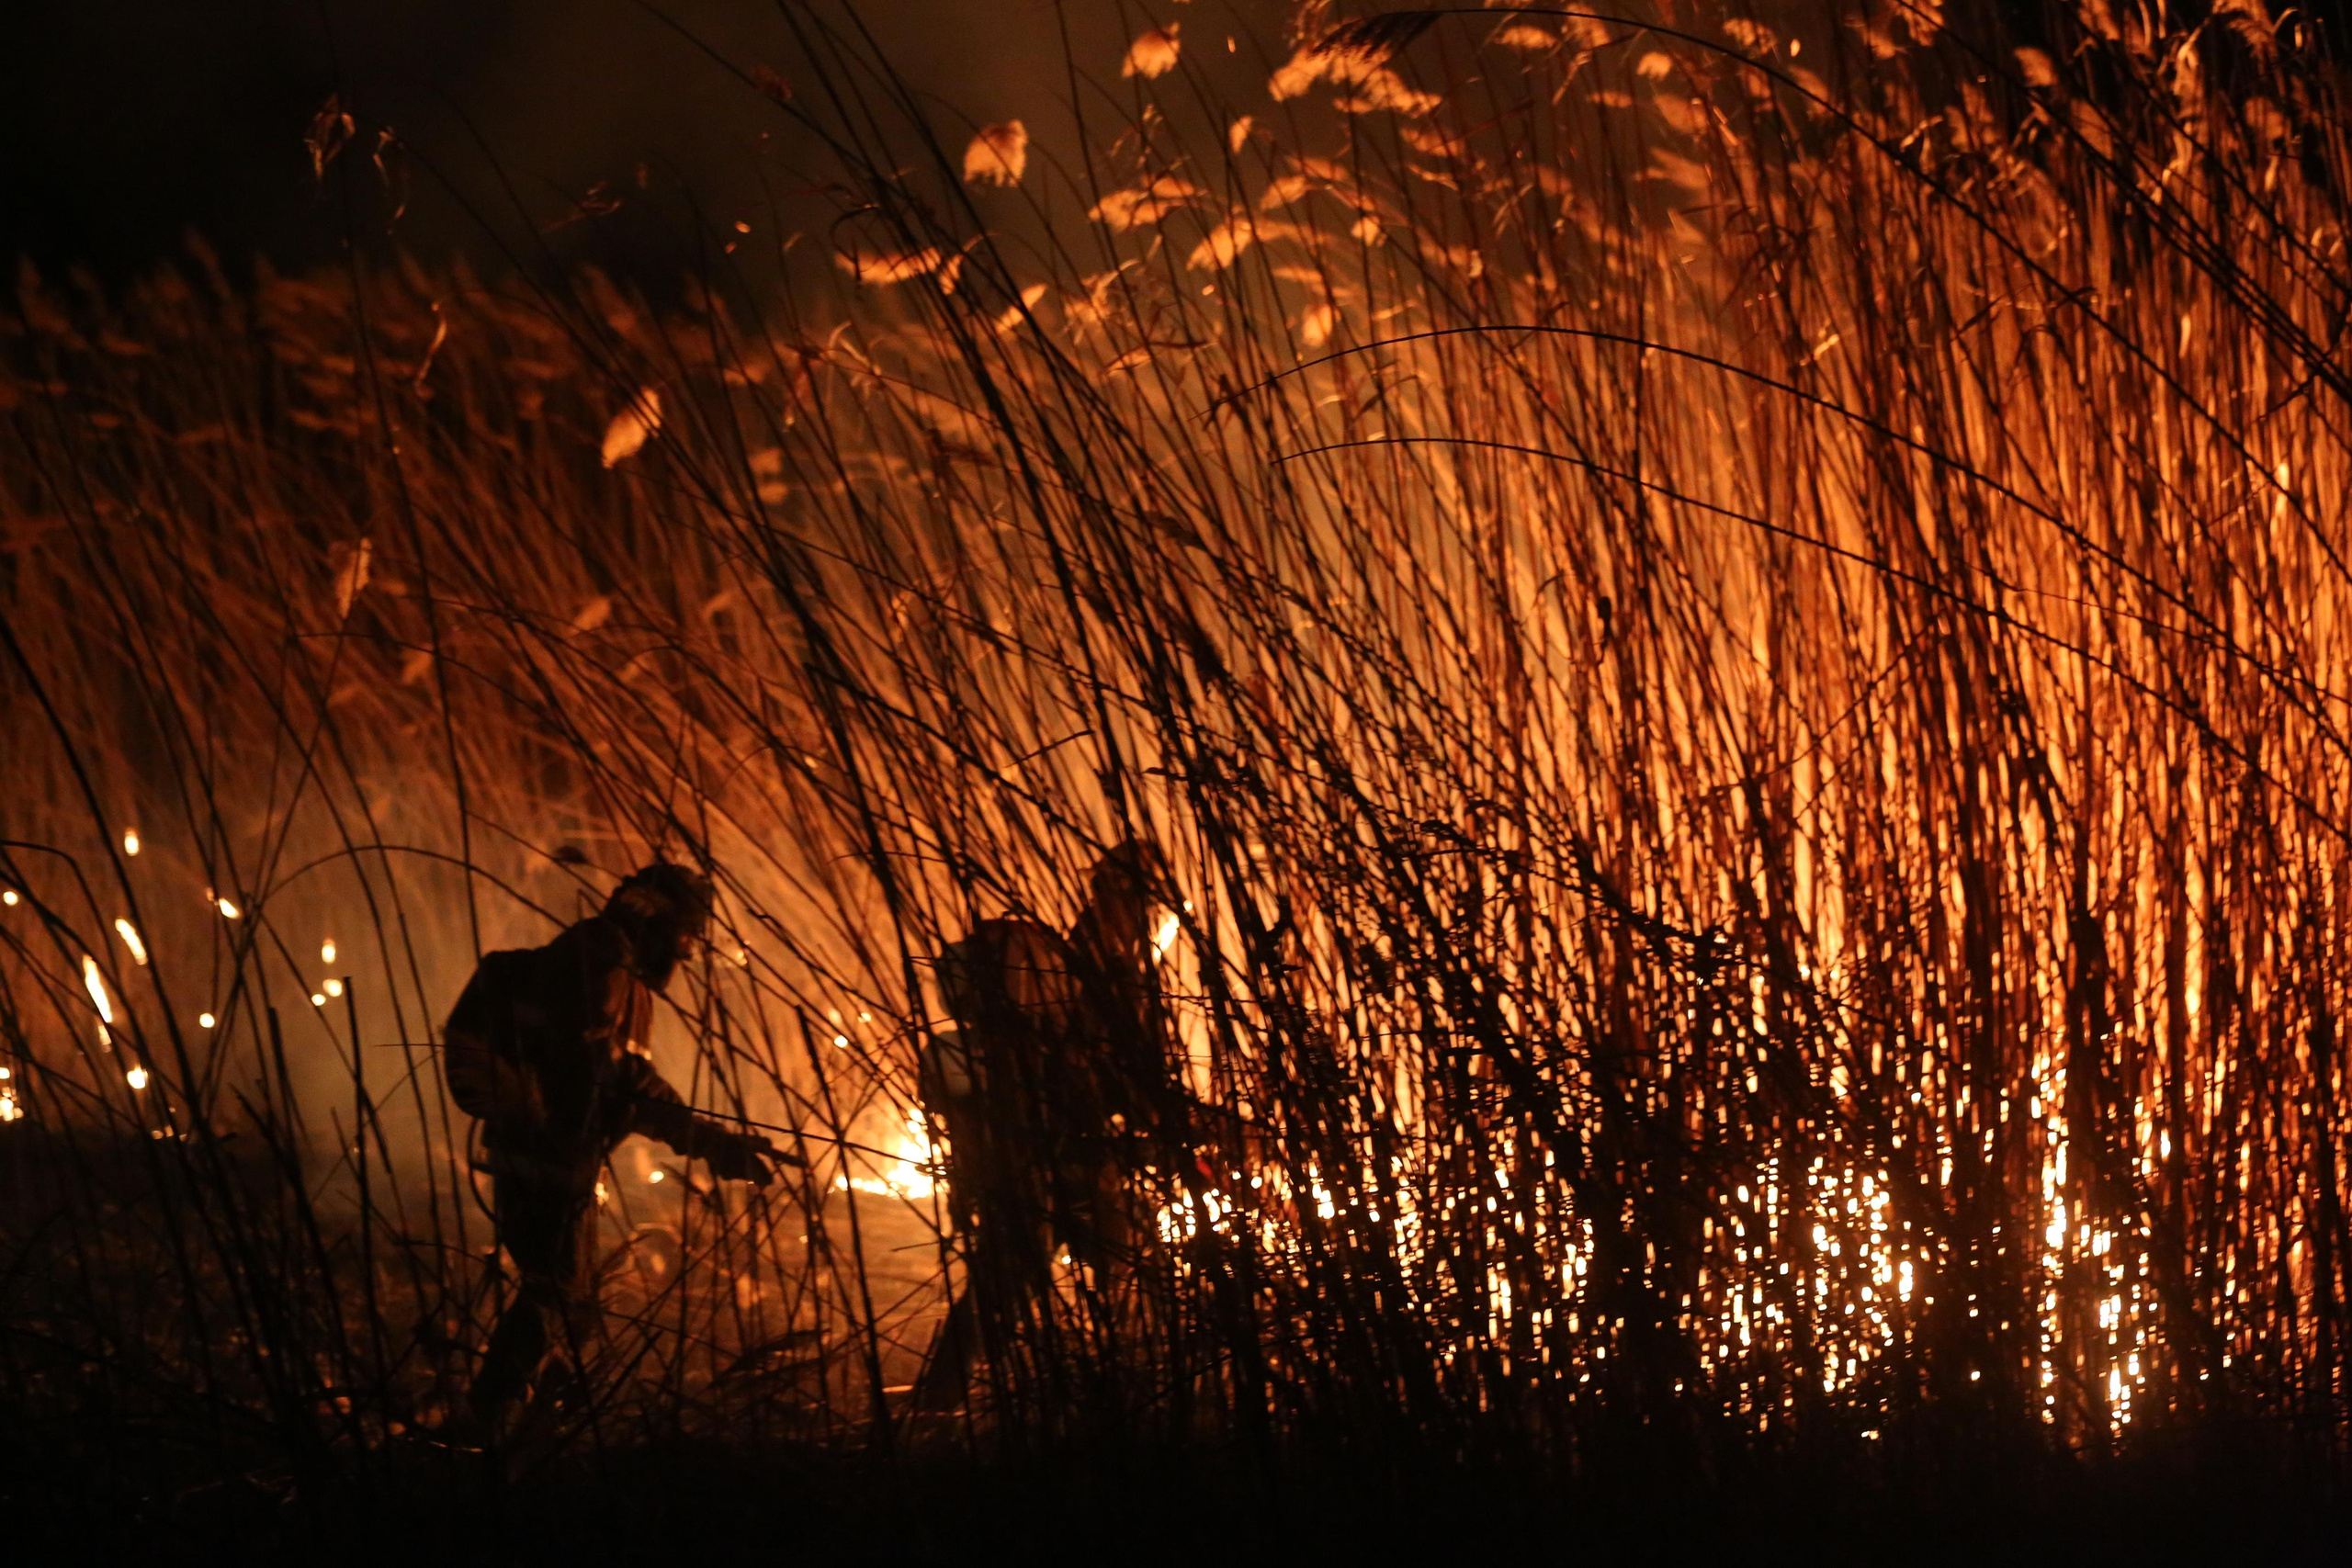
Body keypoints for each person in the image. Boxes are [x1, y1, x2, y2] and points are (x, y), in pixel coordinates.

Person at [441, 862, 781, 1432]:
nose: (688, 950)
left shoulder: (591, 962)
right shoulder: (600, 971)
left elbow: (623, 1079)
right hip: (552, 1160)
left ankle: (542, 1426)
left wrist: (712, 1139)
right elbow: (619, 1082)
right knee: (555, 1298)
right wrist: (712, 1142)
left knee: (573, 1306)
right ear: (662, 925)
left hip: (538, 1152)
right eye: (687, 934)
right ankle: (483, 1427)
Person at [915, 840, 1185, 1404]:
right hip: (1043, 1162)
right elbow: (1126, 1086)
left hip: (1066, 1161)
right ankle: (941, 1406)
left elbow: (1141, 1089)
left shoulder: (1096, 976)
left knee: (1040, 1279)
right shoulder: (1061, 972)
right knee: (1018, 1280)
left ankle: (1129, 1399)